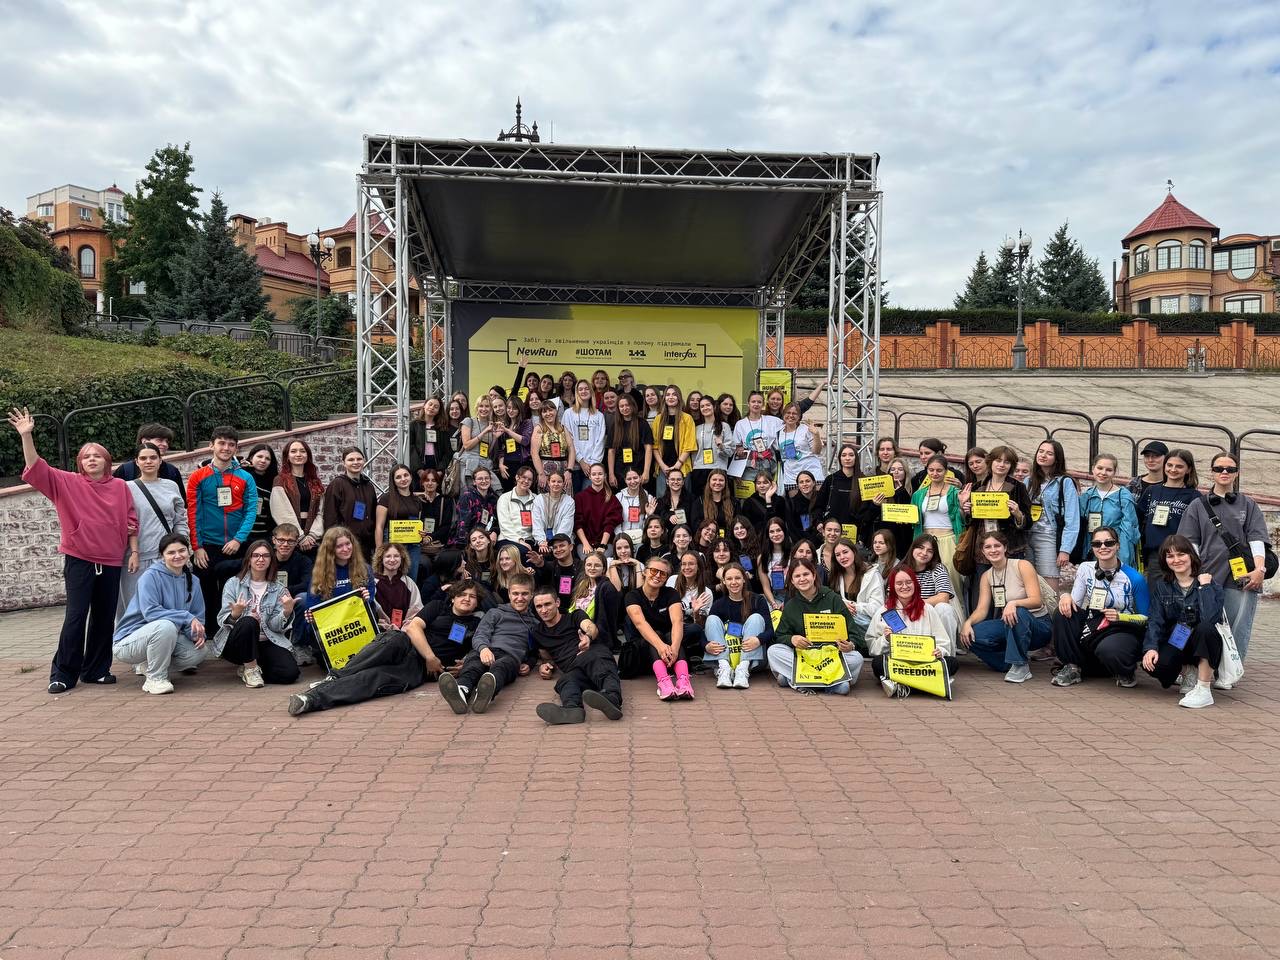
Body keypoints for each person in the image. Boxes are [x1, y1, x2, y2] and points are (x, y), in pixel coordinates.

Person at [10, 408, 139, 693]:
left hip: (111, 560)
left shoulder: (120, 486)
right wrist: (26, 436)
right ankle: (63, 673)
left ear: (107, 461)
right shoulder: (67, 482)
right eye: (86, 456)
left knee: (104, 617)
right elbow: (37, 468)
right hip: (80, 558)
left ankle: (96, 670)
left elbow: (131, 522)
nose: (91, 459)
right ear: (80, 463)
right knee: (76, 616)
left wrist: (134, 552)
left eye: (97, 456)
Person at [289, 579, 484, 716]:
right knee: (393, 639)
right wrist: (430, 657)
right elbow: (413, 628)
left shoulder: (476, 625)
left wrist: (466, 663)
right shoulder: (437, 606)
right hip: (408, 646)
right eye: (462, 594)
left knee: (372, 679)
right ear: (453, 598)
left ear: (477, 603)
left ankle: (309, 700)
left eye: (472, 597)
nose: (466, 599)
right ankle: (337, 676)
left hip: (417, 669)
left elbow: (479, 649)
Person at [1177, 451, 1267, 664]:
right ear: (1212, 472)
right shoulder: (1198, 505)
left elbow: (1257, 538)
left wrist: (1259, 570)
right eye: (1219, 468)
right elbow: (1190, 543)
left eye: (1229, 469)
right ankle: (1203, 667)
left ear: (1237, 473)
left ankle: (1231, 670)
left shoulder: (1249, 504)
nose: (1224, 472)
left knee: (1238, 625)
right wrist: (1194, 574)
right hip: (1208, 575)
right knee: (1204, 624)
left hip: (1242, 576)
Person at [1050, 525, 1150, 689]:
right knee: (1062, 613)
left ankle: (1124, 670)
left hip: (1120, 627)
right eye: (1097, 544)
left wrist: (1120, 616)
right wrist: (1065, 596)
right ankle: (1072, 667)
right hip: (1094, 623)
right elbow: (1074, 604)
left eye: (1108, 543)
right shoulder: (1085, 568)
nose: (1103, 547)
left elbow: (1146, 619)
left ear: (1117, 545)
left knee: (1109, 649)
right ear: (1092, 548)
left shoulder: (1134, 578)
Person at [111, 533, 207, 695]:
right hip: (128, 642)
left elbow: (197, 617)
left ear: (188, 552)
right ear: (162, 555)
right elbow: (151, 612)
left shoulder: (194, 581)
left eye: (181, 551)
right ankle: (156, 678)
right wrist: (186, 617)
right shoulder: (150, 576)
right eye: (171, 552)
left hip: (165, 636)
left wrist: (196, 634)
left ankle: (150, 664)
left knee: (198, 652)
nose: (177, 556)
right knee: (166, 626)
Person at [186, 425, 258, 635]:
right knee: (206, 591)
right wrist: (197, 547)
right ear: (211, 445)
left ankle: (234, 631)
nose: (226, 448)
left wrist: (238, 539)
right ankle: (208, 633)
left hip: (236, 544)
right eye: (221, 443)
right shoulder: (198, 476)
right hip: (207, 546)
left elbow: (250, 510)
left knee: (235, 591)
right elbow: (193, 513)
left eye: (231, 444)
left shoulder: (246, 477)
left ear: (236, 448)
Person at [1142, 534, 1225, 709]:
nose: (1176, 560)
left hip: (1202, 641)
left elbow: (1210, 618)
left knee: (1205, 628)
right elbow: (1155, 619)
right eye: (1170, 556)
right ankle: (1188, 671)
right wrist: (1151, 648)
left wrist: (1205, 587)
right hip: (1177, 641)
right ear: (1165, 560)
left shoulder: (1209, 583)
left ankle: (1203, 689)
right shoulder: (1162, 586)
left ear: (1191, 556)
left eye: (1181, 554)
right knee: (1153, 664)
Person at [959, 531, 1051, 683]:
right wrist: (967, 623)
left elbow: (1037, 601)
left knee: (1018, 612)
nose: (993, 550)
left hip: (1038, 625)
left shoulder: (1022, 565)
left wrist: (1014, 603)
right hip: (1008, 624)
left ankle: (1020, 666)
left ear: (1005, 548)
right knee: (971, 636)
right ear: (983, 551)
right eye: (988, 547)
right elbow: (982, 610)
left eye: (997, 546)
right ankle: (1008, 663)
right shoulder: (987, 576)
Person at [437, 574, 536, 714]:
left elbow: (534, 651)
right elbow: (480, 634)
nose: (519, 598)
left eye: (524, 594)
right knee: (473, 665)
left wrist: (529, 664)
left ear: (532, 595)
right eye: (515, 593)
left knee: (500, 668)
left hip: (510, 656)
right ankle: (461, 691)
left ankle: (484, 694)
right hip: (486, 650)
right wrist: (483, 649)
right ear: (509, 594)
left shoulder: (534, 623)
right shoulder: (495, 613)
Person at [212, 540, 301, 687]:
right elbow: (222, 620)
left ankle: (251, 667)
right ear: (249, 559)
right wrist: (235, 614)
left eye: (265, 556)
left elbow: (275, 627)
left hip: (266, 640)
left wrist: (286, 611)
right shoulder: (233, 583)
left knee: (290, 674)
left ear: (271, 560)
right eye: (256, 555)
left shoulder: (278, 588)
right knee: (249, 621)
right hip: (237, 643)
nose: (261, 559)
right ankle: (251, 669)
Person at [768, 557, 863, 694]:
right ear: (792, 581)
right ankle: (831, 684)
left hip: (830, 657)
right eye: (797, 576)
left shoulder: (832, 598)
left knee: (857, 658)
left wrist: (850, 645)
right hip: (805, 656)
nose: (802, 579)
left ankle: (794, 679)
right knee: (774, 651)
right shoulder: (791, 605)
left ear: (813, 575)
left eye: (806, 574)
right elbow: (779, 636)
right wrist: (792, 639)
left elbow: (854, 634)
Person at [531, 587, 624, 724]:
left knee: (598, 662)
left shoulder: (574, 616)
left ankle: (612, 699)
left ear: (557, 602)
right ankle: (572, 709)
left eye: (547, 604)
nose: (543, 610)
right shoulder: (537, 632)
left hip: (592, 655)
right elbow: (547, 658)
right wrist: (546, 666)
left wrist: (588, 637)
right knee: (566, 681)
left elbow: (591, 627)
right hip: (574, 668)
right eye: (539, 606)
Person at [118, 442, 188, 618]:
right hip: (136, 558)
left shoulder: (171, 486)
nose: (148, 461)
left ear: (160, 460)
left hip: (166, 557)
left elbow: (180, 520)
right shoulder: (125, 487)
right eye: (143, 458)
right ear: (136, 462)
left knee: (169, 605)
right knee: (134, 608)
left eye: (153, 457)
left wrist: (181, 548)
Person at [865, 565, 957, 699]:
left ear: (915, 584)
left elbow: (943, 641)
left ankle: (903, 684)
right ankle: (927, 685)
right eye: (899, 583)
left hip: (925, 664)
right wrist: (886, 639)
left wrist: (940, 651)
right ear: (892, 587)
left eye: (909, 582)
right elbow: (872, 647)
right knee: (878, 663)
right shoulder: (884, 611)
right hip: (900, 664)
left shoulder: (928, 609)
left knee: (952, 663)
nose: (904, 587)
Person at [296, 526, 376, 655]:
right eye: (339, 546)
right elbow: (313, 606)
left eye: (348, 544)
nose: (345, 549)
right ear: (330, 549)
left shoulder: (365, 569)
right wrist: (311, 616)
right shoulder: (320, 573)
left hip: (357, 624)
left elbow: (370, 599)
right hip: (333, 629)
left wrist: (366, 598)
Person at [624, 556, 693, 700]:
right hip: (643, 648)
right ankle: (664, 682)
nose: (657, 576)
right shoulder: (632, 596)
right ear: (645, 572)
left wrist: (674, 648)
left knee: (671, 636)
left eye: (663, 573)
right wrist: (661, 646)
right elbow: (640, 624)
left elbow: (677, 621)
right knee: (656, 634)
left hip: (669, 652)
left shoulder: (671, 593)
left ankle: (683, 682)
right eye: (654, 571)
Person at [703, 563, 773, 689]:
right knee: (711, 619)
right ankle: (724, 669)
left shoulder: (757, 600)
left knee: (756, 618)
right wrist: (706, 645)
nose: (734, 582)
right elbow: (705, 634)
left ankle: (742, 670)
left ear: (744, 579)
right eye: (729, 579)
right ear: (724, 581)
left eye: (737, 578)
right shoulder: (719, 604)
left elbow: (770, 631)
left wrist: (759, 640)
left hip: (753, 659)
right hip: (726, 656)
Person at [1026, 440, 1080, 591]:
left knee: (1049, 587)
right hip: (1026, 536)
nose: (1043, 455)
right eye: (1041, 451)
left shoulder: (1065, 482)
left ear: (1057, 458)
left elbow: (1072, 519)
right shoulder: (1028, 481)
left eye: (1049, 453)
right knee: (1028, 585)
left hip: (1048, 537)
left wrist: (1065, 549)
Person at [1135, 448, 1201, 569]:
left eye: (1179, 466)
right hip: (1154, 555)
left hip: (1179, 556)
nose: (1173, 469)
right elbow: (1137, 519)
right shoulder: (1152, 490)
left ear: (1188, 469)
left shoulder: (1194, 496)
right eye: (1169, 465)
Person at [911, 454, 965, 592]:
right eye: (931, 470)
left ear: (946, 471)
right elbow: (913, 519)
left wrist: (963, 506)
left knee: (952, 581)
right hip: (925, 541)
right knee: (924, 580)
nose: (935, 473)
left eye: (939, 470)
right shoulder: (918, 494)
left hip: (948, 540)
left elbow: (962, 518)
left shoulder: (955, 492)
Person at [1077, 454, 1140, 568]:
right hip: (1093, 550)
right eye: (1100, 468)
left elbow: (1129, 529)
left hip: (1115, 551)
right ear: (1093, 469)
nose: (1103, 473)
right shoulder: (1087, 496)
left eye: (1109, 470)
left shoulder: (1123, 496)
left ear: (1114, 472)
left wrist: (1122, 558)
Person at [270, 439, 326, 556]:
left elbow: (321, 511)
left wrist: (312, 535)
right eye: (293, 451)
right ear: (287, 456)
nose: (298, 454)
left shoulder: (315, 481)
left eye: (302, 451)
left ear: (307, 455)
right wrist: (299, 537)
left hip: (313, 540)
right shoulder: (280, 480)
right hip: (289, 539)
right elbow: (281, 511)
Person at [828, 538, 886, 646]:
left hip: (868, 628)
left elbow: (878, 608)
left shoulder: (872, 575)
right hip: (844, 629)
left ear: (854, 552)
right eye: (838, 555)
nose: (842, 557)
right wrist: (842, 604)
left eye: (845, 552)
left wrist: (853, 606)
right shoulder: (836, 575)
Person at [323, 446, 378, 557]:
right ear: (344, 463)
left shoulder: (369, 486)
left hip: (366, 545)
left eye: (359, 459)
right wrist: (335, 542)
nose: (355, 462)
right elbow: (330, 517)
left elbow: (374, 515)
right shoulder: (337, 485)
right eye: (351, 460)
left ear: (364, 461)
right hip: (345, 544)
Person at [904, 534, 961, 642]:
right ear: (913, 548)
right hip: (907, 616)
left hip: (931, 617)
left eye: (929, 551)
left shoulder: (937, 568)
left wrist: (916, 604)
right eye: (921, 548)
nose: (924, 553)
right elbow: (892, 598)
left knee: (944, 608)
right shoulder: (901, 569)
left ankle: (946, 651)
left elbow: (944, 597)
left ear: (933, 554)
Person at [376, 463, 426, 579]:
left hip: (413, 545)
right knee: (393, 579)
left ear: (411, 476)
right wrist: (380, 551)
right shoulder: (386, 498)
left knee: (411, 579)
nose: (403, 479)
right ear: (393, 481)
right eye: (398, 477)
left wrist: (422, 533)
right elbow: (379, 526)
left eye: (405, 475)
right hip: (392, 545)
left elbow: (418, 523)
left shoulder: (417, 500)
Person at [562, 379, 607, 493]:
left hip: (592, 467)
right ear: (576, 393)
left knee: (589, 499)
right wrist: (581, 461)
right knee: (575, 498)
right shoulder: (568, 413)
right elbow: (569, 440)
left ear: (591, 392)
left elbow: (600, 441)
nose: (583, 391)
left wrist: (593, 464)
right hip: (574, 465)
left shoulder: (599, 415)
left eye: (586, 389)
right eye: (580, 389)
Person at [652, 385, 697, 493]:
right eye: (668, 395)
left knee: (683, 500)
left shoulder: (687, 418)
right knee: (662, 500)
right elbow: (654, 446)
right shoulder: (658, 419)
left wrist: (677, 465)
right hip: (663, 468)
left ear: (679, 397)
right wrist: (663, 466)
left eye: (674, 394)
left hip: (682, 467)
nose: (671, 397)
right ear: (664, 398)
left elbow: (689, 445)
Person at [607, 393, 654, 492]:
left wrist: (646, 471)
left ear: (633, 405)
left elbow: (648, 449)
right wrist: (611, 474)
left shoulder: (642, 424)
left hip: (639, 468)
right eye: (621, 406)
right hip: (620, 471)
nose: (625, 408)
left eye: (627, 405)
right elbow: (611, 451)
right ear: (618, 408)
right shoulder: (615, 426)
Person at [112, 422, 183, 486]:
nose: (165, 444)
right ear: (144, 441)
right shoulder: (125, 470)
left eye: (167, 441)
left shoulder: (172, 471)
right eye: (160, 440)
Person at [731, 391, 783, 478]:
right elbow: (736, 447)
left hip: (768, 464)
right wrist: (739, 449)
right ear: (748, 403)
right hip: (749, 465)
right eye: (753, 401)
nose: (756, 404)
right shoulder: (740, 424)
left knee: (766, 486)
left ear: (763, 404)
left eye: (759, 402)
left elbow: (789, 423)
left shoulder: (773, 421)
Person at [372, 542, 423, 628]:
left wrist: (403, 630)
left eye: (396, 556)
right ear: (381, 559)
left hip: (404, 631)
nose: (392, 560)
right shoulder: (372, 583)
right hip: (379, 630)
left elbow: (416, 611)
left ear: (402, 559)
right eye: (388, 556)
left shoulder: (409, 583)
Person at [573, 463, 621, 555]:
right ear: (589, 477)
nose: (597, 477)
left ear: (605, 476)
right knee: (588, 561)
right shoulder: (580, 497)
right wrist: (585, 544)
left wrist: (602, 545)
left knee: (602, 560)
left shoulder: (612, 499)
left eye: (600, 474)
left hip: (606, 543)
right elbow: (578, 523)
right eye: (594, 474)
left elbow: (610, 524)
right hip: (584, 543)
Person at [690, 395, 732, 497]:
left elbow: (730, 452)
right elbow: (693, 452)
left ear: (714, 407)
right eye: (702, 406)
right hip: (699, 470)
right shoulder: (696, 428)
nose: (705, 408)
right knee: (700, 501)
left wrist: (721, 446)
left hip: (718, 469)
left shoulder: (724, 426)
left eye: (708, 405)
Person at [777, 403, 825, 490]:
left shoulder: (805, 429)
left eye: (794, 413)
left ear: (799, 416)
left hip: (811, 473)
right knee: (795, 499)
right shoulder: (779, 432)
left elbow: (817, 451)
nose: (791, 415)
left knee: (816, 499)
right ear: (783, 414)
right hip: (791, 476)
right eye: (788, 413)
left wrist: (816, 434)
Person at [495, 464, 539, 553]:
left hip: (529, 539)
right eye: (524, 477)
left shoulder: (536, 499)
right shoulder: (504, 498)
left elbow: (539, 522)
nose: (526, 481)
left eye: (530, 479)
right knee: (524, 552)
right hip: (508, 538)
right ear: (517, 477)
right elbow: (505, 525)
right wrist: (520, 541)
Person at [531, 402, 574, 490]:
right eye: (544, 411)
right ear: (541, 415)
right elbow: (534, 453)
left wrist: (569, 470)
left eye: (550, 410)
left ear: (556, 411)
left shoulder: (563, 428)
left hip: (564, 473)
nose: (548, 413)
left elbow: (571, 449)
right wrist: (541, 474)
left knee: (565, 497)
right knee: (547, 497)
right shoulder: (539, 428)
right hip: (546, 473)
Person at [531, 467, 575, 554]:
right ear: (548, 483)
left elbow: (566, 525)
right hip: (542, 540)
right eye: (553, 481)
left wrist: (555, 543)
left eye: (559, 482)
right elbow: (536, 522)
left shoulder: (569, 501)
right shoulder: (539, 499)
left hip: (561, 540)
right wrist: (542, 541)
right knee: (542, 554)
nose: (556, 484)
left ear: (563, 483)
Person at [452, 467, 499, 546]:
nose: (484, 481)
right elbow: (463, 524)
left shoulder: (494, 498)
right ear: (474, 482)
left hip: (487, 539)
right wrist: (466, 545)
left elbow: (496, 521)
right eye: (480, 479)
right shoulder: (467, 497)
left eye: (486, 478)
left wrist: (495, 532)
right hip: (468, 541)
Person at [241, 443, 278, 544]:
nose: (263, 460)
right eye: (259, 456)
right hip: (240, 534)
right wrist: (239, 462)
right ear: (251, 458)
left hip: (262, 536)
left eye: (267, 459)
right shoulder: (241, 476)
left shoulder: (273, 482)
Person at [536, 534, 582, 612]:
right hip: (554, 611)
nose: (558, 549)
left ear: (571, 547)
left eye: (562, 546)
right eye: (555, 547)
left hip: (577, 610)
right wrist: (540, 564)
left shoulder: (582, 566)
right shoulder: (550, 566)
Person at [410, 396, 454, 475]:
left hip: (436, 465)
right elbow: (410, 447)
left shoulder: (442, 427)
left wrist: (440, 470)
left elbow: (448, 451)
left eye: (436, 407)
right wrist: (418, 469)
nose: (432, 407)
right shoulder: (414, 425)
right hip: (418, 465)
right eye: (430, 404)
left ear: (438, 411)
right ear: (424, 405)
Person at [614, 467, 658, 545]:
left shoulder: (648, 498)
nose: (632, 481)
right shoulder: (618, 497)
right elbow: (615, 521)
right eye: (629, 479)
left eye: (635, 478)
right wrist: (621, 538)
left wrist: (649, 515)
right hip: (622, 540)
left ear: (640, 478)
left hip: (642, 541)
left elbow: (651, 526)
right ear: (625, 480)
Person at [756, 517, 793, 610]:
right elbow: (766, 587)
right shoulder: (762, 558)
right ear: (768, 535)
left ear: (784, 531)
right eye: (772, 532)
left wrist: (787, 602)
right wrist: (774, 604)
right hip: (774, 597)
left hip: (792, 596)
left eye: (778, 530)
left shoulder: (794, 554)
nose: (775, 534)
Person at [459, 394, 496, 484]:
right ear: (477, 407)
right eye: (481, 406)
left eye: (487, 406)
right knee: (469, 490)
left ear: (491, 408)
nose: (484, 409)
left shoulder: (491, 425)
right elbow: (467, 446)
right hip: (468, 463)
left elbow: (488, 451)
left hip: (484, 463)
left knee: (494, 488)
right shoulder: (469, 421)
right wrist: (484, 432)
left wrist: (495, 437)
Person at [271, 523, 314, 598]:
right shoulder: (265, 558)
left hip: (292, 597)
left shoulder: (304, 561)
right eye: (281, 540)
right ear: (274, 540)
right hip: (267, 595)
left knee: (303, 597)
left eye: (290, 541)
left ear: (296, 542)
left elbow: (307, 584)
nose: (285, 544)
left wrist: (283, 591)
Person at [782, 470, 824, 546]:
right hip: (801, 545)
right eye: (801, 482)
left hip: (822, 543)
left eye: (807, 481)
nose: (804, 484)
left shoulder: (821, 498)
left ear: (814, 483)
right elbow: (792, 529)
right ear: (798, 485)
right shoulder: (791, 503)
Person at [692, 469, 735, 533]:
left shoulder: (734, 502)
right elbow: (695, 525)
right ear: (709, 481)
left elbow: (736, 524)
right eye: (714, 480)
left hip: (727, 538)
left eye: (721, 480)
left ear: (725, 483)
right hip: (706, 537)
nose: (717, 483)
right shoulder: (699, 502)